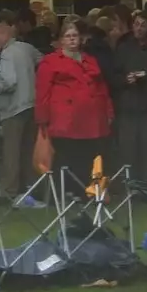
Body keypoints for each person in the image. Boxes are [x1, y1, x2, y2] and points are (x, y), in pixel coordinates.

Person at [34, 20, 113, 189]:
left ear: (81, 39)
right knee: (67, 159)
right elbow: (42, 92)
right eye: (68, 36)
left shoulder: (90, 60)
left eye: (75, 36)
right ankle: (67, 193)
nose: (71, 39)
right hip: (66, 120)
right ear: (61, 40)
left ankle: (88, 191)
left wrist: (109, 111)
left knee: (89, 158)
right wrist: (42, 119)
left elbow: (102, 88)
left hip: (92, 119)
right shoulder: (50, 61)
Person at [0, 11, 42, 202]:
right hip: (31, 105)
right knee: (28, 151)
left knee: (11, 152)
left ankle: (8, 192)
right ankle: (32, 188)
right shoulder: (27, 48)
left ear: (2, 35)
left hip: (13, 109)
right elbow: (43, 61)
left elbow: (9, 82)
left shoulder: (7, 54)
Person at [109, 11, 147, 185]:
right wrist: (125, 80)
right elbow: (113, 77)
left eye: (143, 25)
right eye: (136, 24)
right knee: (127, 149)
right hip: (128, 107)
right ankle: (130, 184)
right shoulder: (124, 48)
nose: (139, 28)